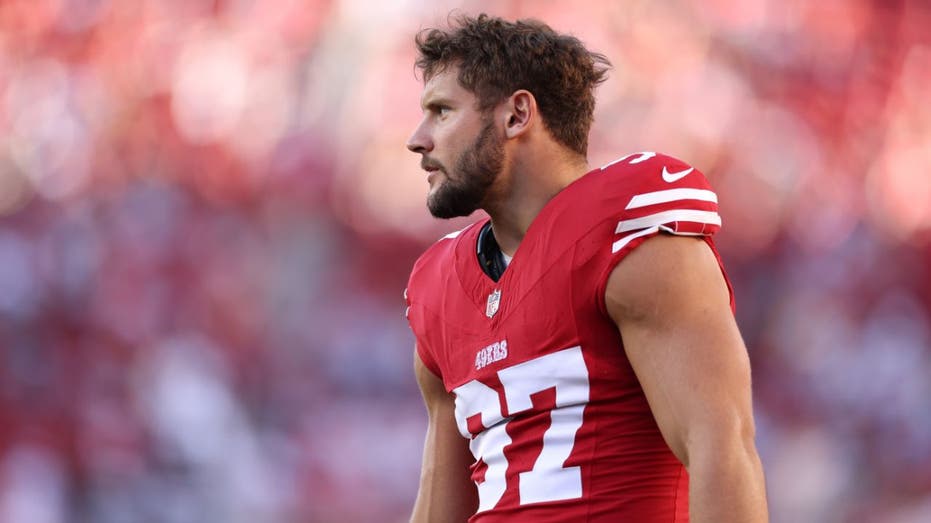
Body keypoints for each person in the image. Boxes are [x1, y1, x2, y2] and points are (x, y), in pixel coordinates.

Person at [403, 13, 768, 523]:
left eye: (441, 111)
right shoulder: (439, 285)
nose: (417, 139)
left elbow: (721, 451)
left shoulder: (629, 230)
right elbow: (439, 507)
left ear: (516, 115)